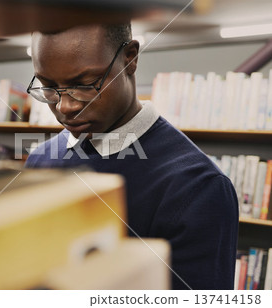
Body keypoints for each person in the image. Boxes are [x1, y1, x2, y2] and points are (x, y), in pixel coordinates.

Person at [24, 24, 239, 290]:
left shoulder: (198, 186)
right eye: (48, 86)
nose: (65, 106)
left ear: (130, 58)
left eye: (86, 84)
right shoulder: (38, 162)